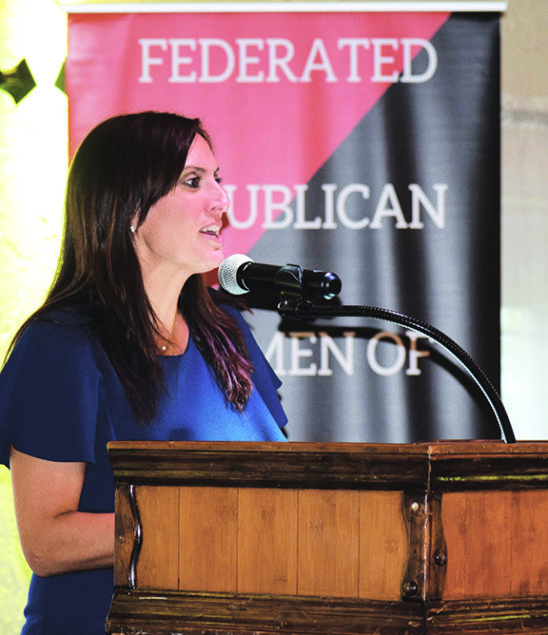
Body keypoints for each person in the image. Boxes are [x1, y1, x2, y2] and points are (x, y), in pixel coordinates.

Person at [0, 111, 288, 634]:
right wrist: (196, 527)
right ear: (131, 206)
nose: (222, 201)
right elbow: (46, 541)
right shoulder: (61, 345)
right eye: (193, 181)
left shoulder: (228, 333)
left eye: (218, 180)